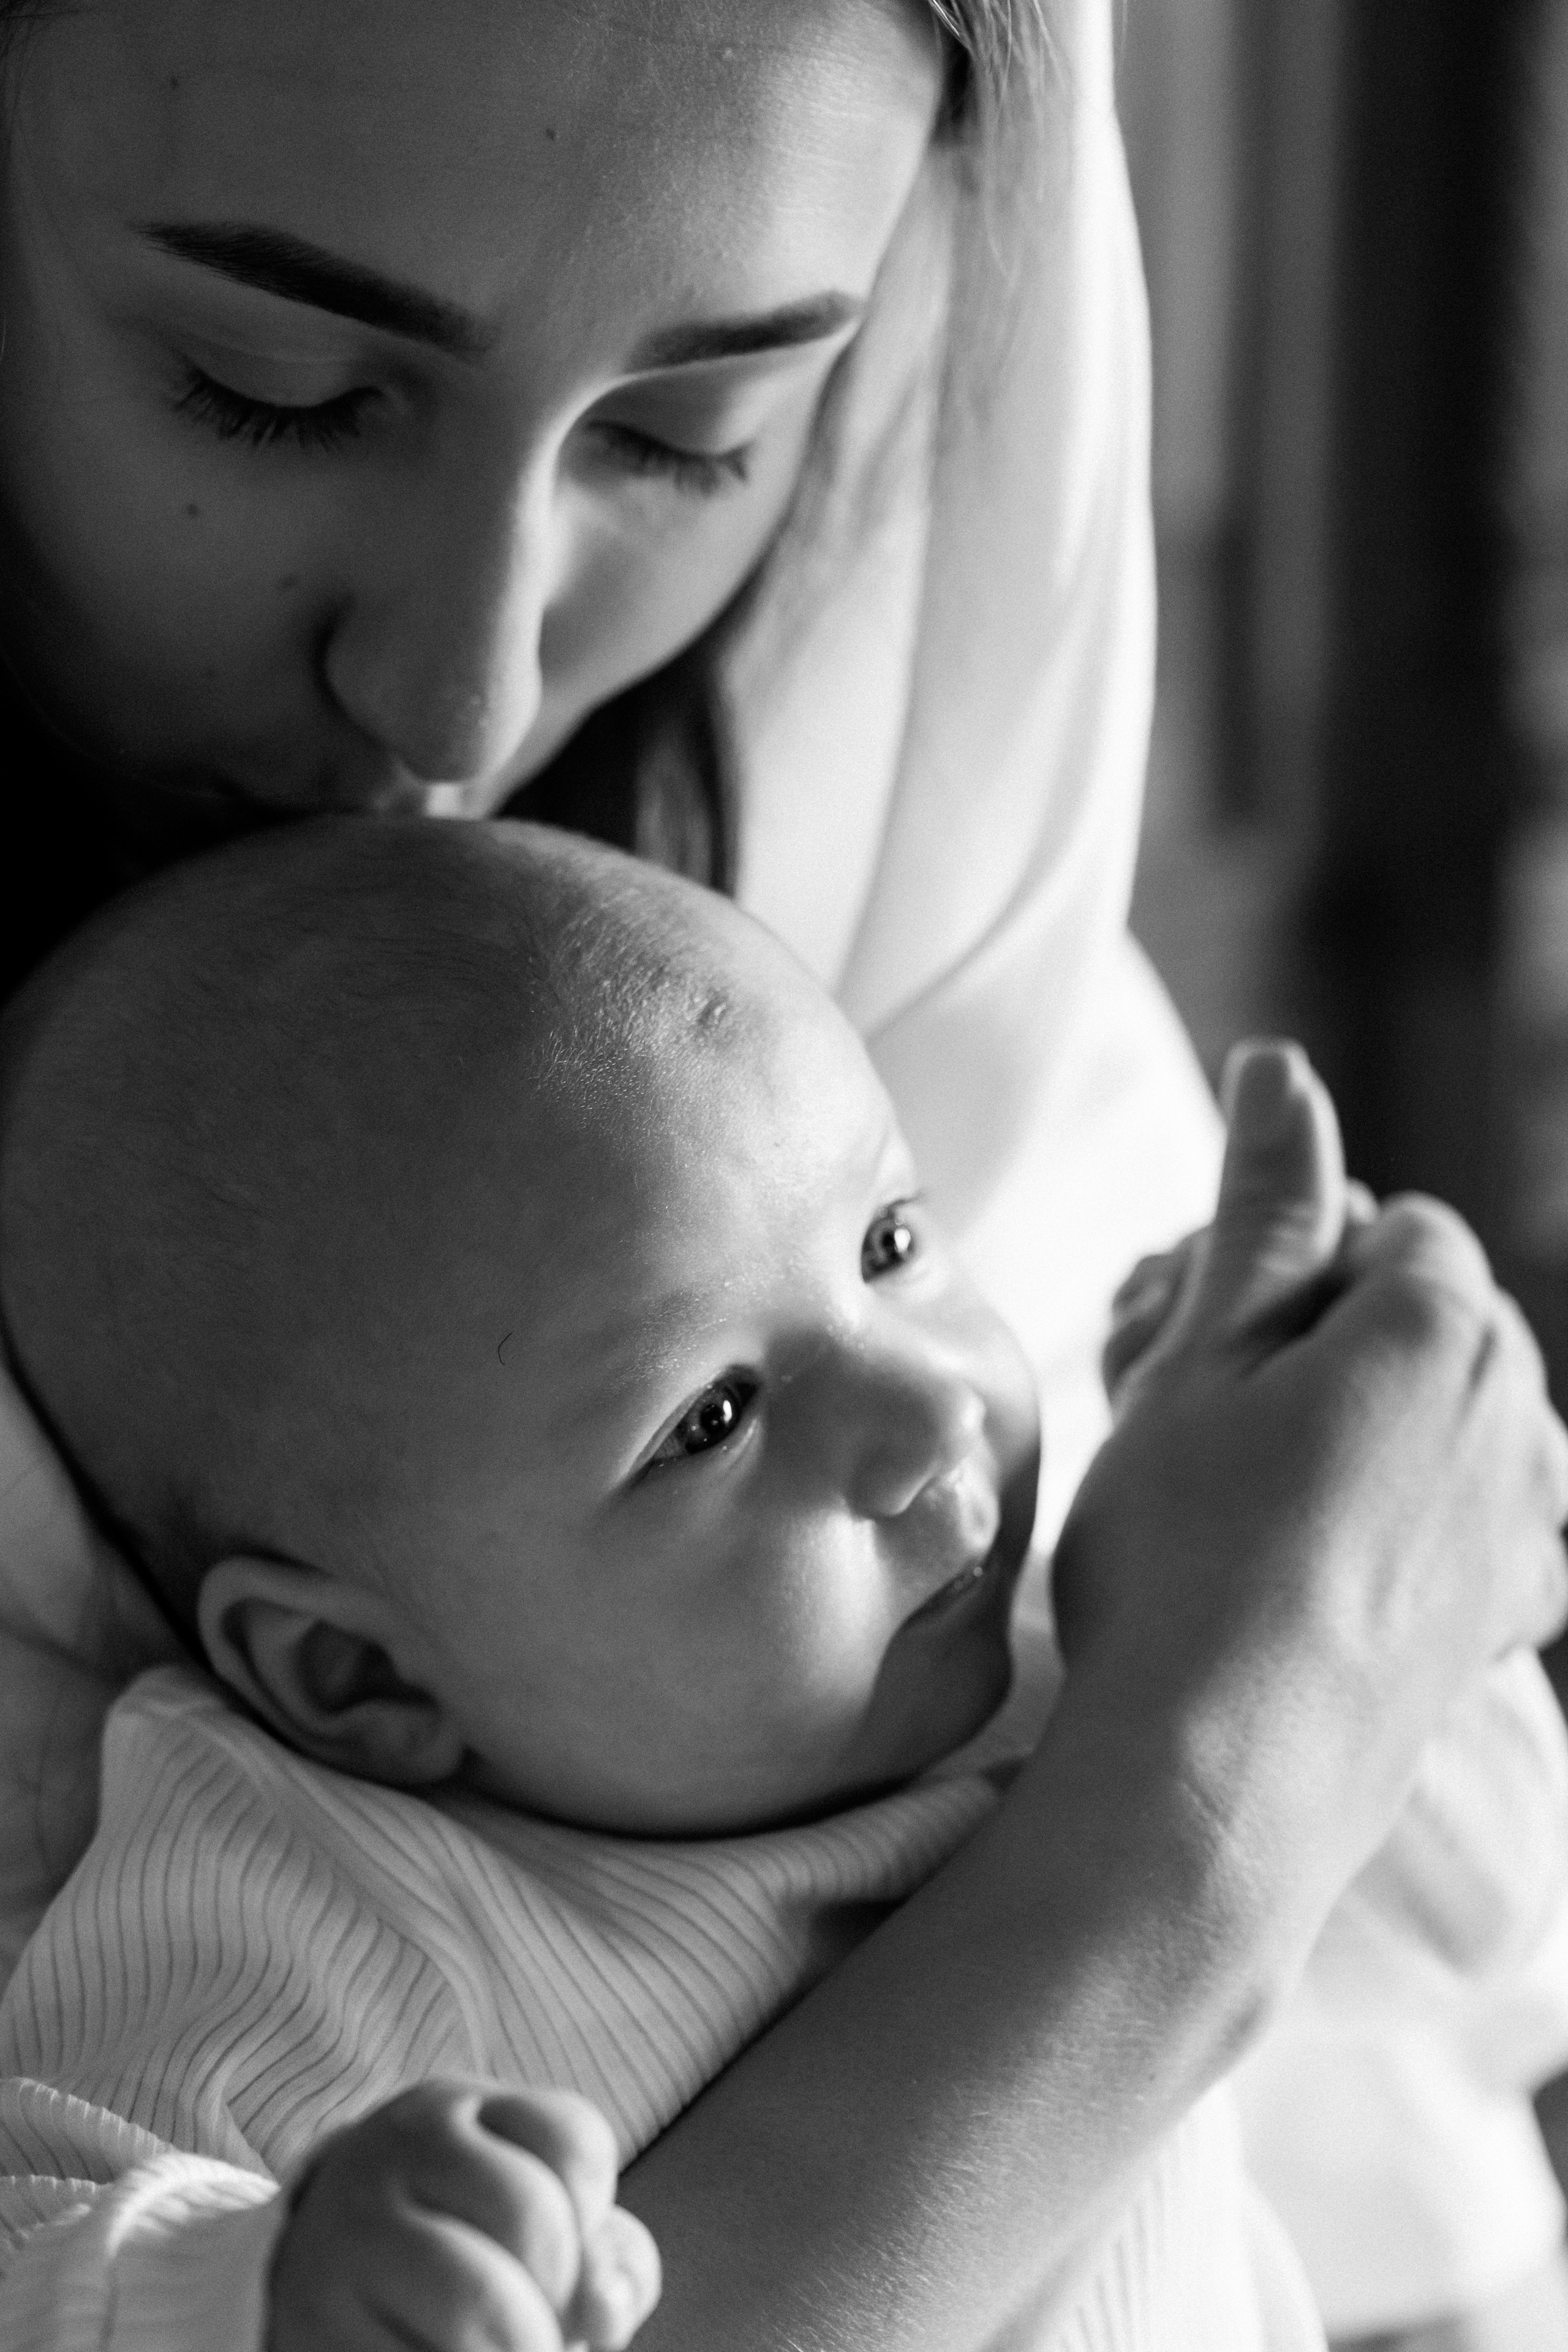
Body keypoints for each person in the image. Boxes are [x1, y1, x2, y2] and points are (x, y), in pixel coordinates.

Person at [0, 0, 1564, 2344]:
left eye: (690, 434)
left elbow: (1460, 1965)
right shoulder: (328, 1885)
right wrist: (1211, 1798)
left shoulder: (883, 1024)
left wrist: (1380, 1580)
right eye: (273, 387)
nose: (463, 705)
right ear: (344, 1667)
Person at [2, 815, 1565, 2352]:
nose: (928, 1415)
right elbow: (41, 2244)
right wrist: (274, 2289)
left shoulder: (1059, 1645)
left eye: (888, 1243)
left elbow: (1479, 1919)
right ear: (356, 1677)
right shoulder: (317, 1885)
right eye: (714, 1416)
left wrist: (1333, 1528)